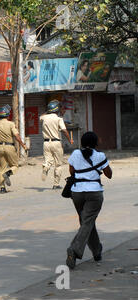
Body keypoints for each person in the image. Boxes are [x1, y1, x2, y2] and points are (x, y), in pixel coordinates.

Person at [66, 131, 112, 269]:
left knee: (86, 222)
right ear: (95, 142)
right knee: (87, 222)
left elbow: (71, 172)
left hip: (77, 193)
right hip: (94, 193)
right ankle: (74, 249)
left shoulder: (75, 154)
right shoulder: (100, 155)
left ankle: (97, 251)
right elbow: (109, 175)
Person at [0, 105, 28, 193]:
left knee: (2, 168)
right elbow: (17, 136)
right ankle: (8, 174)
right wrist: (23, 145)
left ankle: (2, 188)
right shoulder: (11, 124)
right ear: (8, 115)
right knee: (15, 165)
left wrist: (0, 115)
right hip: (9, 146)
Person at [40, 100, 74, 189]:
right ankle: (56, 184)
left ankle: (46, 167)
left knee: (48, 160)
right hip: (56, 142)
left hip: (46, 143)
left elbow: (41, 116)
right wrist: (69, 139)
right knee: (58, 164)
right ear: (57, 109)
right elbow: (64, 130)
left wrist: (48, 110)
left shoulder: (44, 118)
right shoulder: (59, 119)